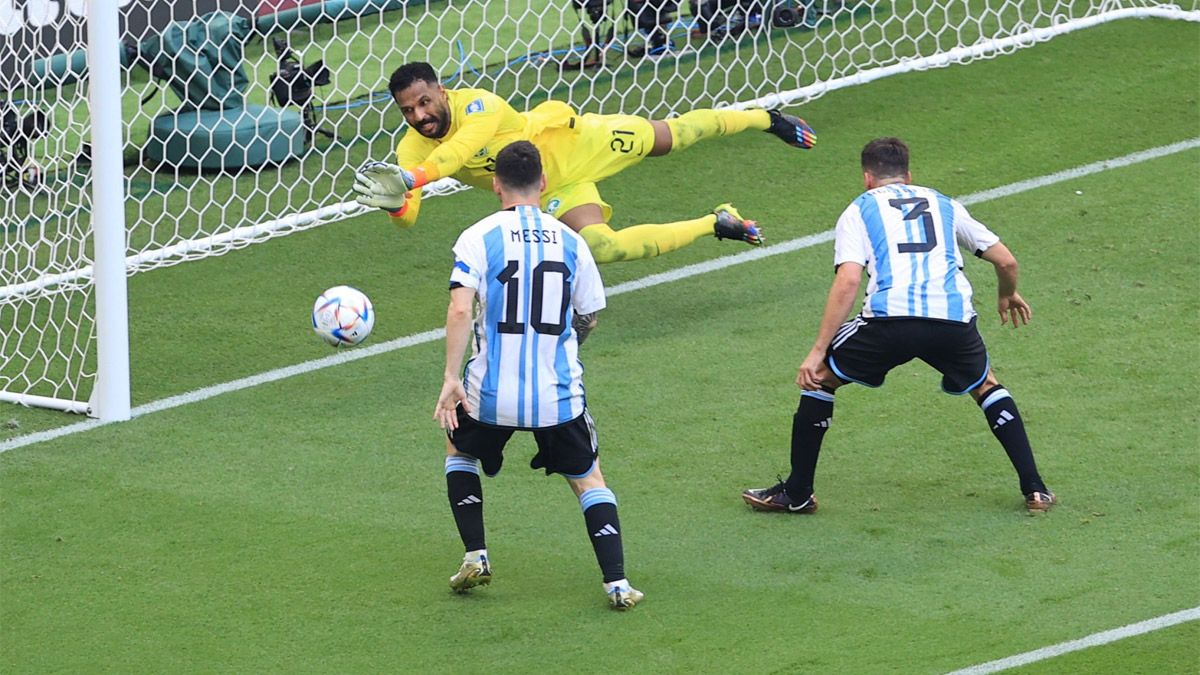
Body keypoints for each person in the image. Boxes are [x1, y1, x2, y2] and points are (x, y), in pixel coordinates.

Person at [742, 137, 1056, 515]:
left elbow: (848, 281)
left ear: (867, 177)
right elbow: (1006, 261)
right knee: (986, 386)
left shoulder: (859, 209)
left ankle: (797, 494)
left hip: (890, 321)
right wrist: (1007, 294)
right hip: (951, 321)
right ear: (908, 175)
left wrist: (816, 350)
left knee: (822, 378)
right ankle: (1036, 490)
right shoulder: (945, 204)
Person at [432, 140, 643, 610]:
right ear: (543, 184)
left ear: (496, 185)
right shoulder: (571, 241)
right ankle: (617, 583)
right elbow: (588, 316)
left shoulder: (477, 236)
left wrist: (451, 378)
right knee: (588, 479)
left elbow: (460, 306)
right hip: (557, 396)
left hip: (488, 394)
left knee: (458, 450)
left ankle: (476, 553)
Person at [353, 61, 817, 264]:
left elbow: (454, 155)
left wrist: (412, 178)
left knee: (673, 136)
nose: (419, 117)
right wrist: (397, 204)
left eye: (424, 103)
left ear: (441, 91)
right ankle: (716, 224)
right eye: (408, 111)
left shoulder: (479, 105)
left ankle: (764, 117)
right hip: (550, 189)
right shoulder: (411, 149)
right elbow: (408, 215)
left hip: (580, 143)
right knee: (604, 248)